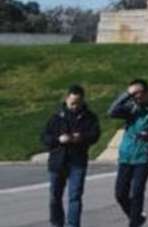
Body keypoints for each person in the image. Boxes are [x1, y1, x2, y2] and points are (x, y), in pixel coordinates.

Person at [108, 78, 148, 227]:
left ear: (147, 92)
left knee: (137, 191)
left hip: (144, 155)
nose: (136, 96)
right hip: (126, 155)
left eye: (138, 93)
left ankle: (134, 223)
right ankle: (136, 217)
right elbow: (111, 112)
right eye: (133, 94)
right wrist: (127, 94)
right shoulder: (131, 107)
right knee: (120, 193)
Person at [42, 83, 100, 227]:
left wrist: (81, 137)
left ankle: (73, 225)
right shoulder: (56, 117)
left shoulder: (89, 117)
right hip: (58, 161)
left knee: (75, 196)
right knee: (55, 197)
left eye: (78, 103)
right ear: (67, 99)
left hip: (77, 161)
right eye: (73, 103)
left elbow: (95, 135)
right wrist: (58, 139)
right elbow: (44, 137)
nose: (75, 106)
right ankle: (56, 223)